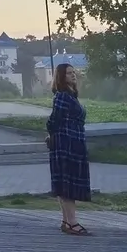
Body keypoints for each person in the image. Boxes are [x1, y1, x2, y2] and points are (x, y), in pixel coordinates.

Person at [45, 62, 92, 235]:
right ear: (61, 77)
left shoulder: (71, 96)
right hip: (65, 145)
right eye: (69, 73)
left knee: (66, 182)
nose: (73, 75)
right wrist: (52, 136)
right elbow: (53, 121)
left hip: (74, 143)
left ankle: (66, 221)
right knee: (67, 184)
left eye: (74, 72)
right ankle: (71, 222)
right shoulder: (63, 96)